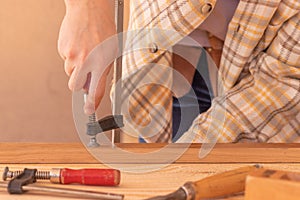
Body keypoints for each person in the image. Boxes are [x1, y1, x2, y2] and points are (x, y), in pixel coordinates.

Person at [58, 0, 300, 143]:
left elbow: (285, 74)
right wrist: (87, 8)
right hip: (163, 68)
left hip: (267, 81)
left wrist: (183, 161)